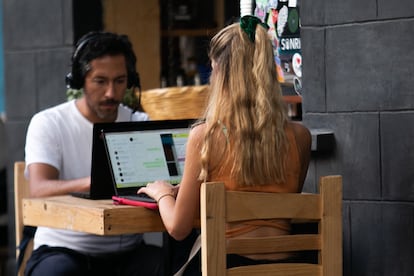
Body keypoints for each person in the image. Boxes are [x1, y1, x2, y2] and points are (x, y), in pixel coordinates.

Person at [138, 15, 311, 273]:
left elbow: (178, 228)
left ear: (221, 73)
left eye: (212, 69)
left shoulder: (205, 136)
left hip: (228, 266)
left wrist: (162, 193)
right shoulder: (300, 137)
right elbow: (275, 203)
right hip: (290, 267)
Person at [24, 31, 162, 276]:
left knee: (177, 264)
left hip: (128, 253)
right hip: (63, 250)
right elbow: (38, 188)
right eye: (100, 81)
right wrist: (95, 183)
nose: (111, 92)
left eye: (119, 81)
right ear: (79, 81)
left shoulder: (140, 122)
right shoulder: (49, 123)